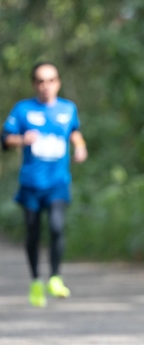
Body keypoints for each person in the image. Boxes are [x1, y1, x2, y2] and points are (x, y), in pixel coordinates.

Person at [1, 62, 88, 308]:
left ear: (58, 83)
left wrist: (80, 146)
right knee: (32, 232)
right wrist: (21, 139)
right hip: (31, 183)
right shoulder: (23, 109)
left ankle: (55, 277)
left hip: (58, 182)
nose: (45, 86)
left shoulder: (68, 109)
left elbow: (75, 132)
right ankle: (35, 281)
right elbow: (5, 138)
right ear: (34, 84)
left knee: (57, 227)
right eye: (40, 81)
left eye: (50, 80)